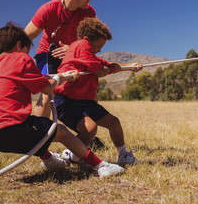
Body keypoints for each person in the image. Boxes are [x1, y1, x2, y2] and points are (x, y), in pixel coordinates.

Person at [0, 22, 125, 178]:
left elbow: (40, 79)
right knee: (61, 132)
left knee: (37, 129)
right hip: (11, 129)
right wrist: (58, 78)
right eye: (28, 50)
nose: (28, 54)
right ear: (19, 44)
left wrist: (62, 76)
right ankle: (101, 166)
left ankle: (49, 160)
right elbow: (47, 87)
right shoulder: (20, 59)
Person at [53, 18, 143, 167]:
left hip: (84, 101)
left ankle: (123, 155)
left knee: (114, 123)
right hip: (67, 101)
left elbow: (107, 65)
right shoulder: (80, 46)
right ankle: (74, 155)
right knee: (89, 128)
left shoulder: (88, 53)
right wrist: (108, 69)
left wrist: (130, 66)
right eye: (98, 46)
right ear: (87, 40)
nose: (100, 49)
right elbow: (99, 71)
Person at [24, 0, 96, 119]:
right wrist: (19, 63)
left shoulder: (89, 12)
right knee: (48, 93)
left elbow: (93, 42)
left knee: (90, 92)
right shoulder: (48, 9)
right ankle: (41, 135)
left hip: (73, 55)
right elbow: (25, 37)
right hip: (47, 55)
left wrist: (73, 49)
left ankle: (89, 133)